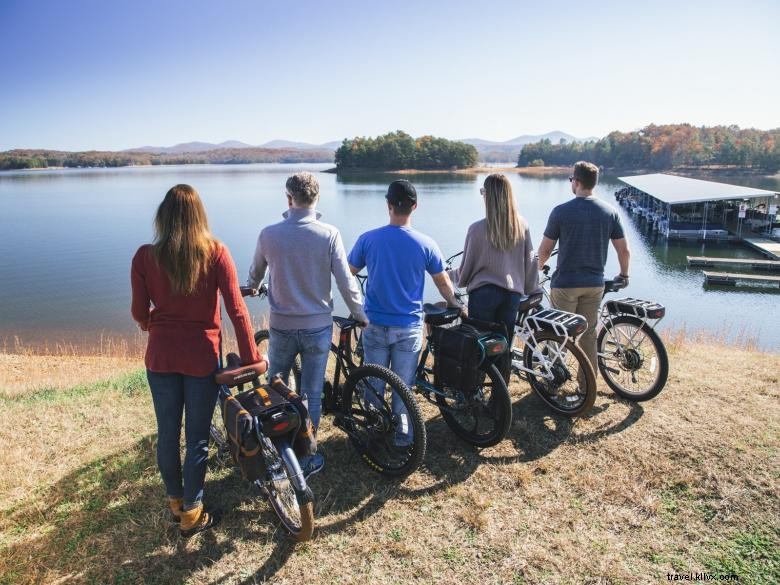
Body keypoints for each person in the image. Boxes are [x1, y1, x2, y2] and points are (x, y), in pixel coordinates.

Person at [131, 184, 262, 537]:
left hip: (160, 357)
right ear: (199, 216)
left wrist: (152, 324)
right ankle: (192, 510)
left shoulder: (145, 256)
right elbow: (236, 309)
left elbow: (139, 313)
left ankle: (176, 501)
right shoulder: (217, 252)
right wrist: (252, 357)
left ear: (163, 216)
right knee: (197, 438)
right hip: (201, 359)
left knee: (168, 434)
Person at [248, 171, 367, 477]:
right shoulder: (329, 234)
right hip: (317, 327)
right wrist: (360, 314)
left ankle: (277, 451)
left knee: (276, 387)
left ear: (289, 198)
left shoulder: (268, 234)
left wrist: (253, 286)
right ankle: (307, 457)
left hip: (281, 326)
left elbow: (254, 277)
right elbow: (346, 282)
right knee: (311, 393)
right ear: (316, 198)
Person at [348, 179, 463, 446]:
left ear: (388, 205)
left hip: (374, 323)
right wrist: (457, 305)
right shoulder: (426, 243)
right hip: (408, 327)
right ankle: (404, 436)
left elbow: (348, 273)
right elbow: (443, 282)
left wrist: (356, 305)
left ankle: (374, 428)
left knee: (374, 381)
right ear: (414, 206)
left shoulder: (367, 239)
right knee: (403, 385)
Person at [537, 161, 631, 384]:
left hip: (565, 285)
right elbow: (624, 250)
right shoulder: (610, 212)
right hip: (594, 284)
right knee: (588, 334)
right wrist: (624, 275)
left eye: (571, 180)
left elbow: (546, 250)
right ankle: (587, 385)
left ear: (576, 182)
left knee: (558, 333)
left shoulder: (561, 212)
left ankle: (554, 381)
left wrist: (536, 271)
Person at [447, 173, 539, 382]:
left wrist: (449, 276)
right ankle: (500, 399)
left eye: (482, 192)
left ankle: (475, 391)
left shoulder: (477, 229)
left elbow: (466, 271)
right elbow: (531, 261)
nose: (481, 196)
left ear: (489, 196)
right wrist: (532, 288)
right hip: (512, 296)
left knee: (479, 347)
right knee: (503, 347)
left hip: (484, 295)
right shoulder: (521, 226)